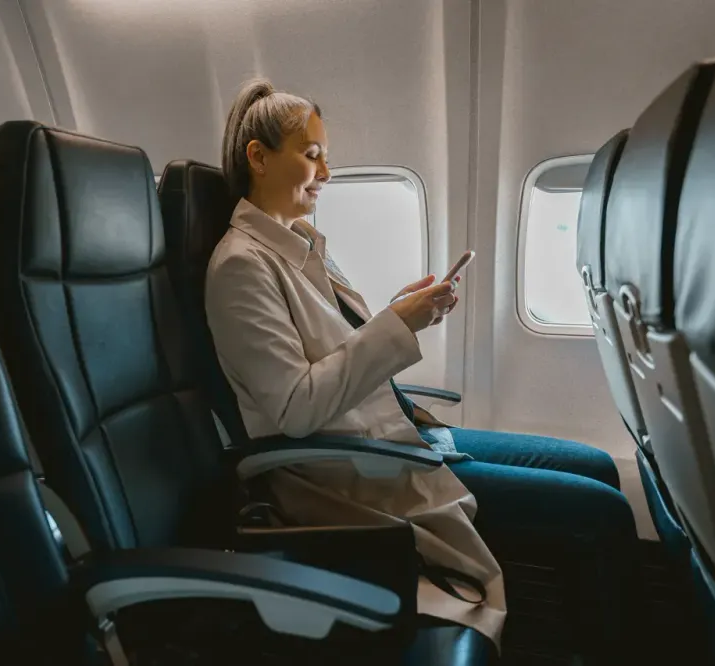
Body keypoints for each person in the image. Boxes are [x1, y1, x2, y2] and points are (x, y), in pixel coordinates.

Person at [204, 78, 640, 657]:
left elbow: (338, 347)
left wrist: (401, 312)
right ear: (259, 157)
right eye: (312, 156)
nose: (327, 174)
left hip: (390, 429)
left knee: (594, 465)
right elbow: (295, 407)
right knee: (602, 513)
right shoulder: (240, 267)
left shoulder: (301, 241)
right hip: (346, 464)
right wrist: (397, 326)